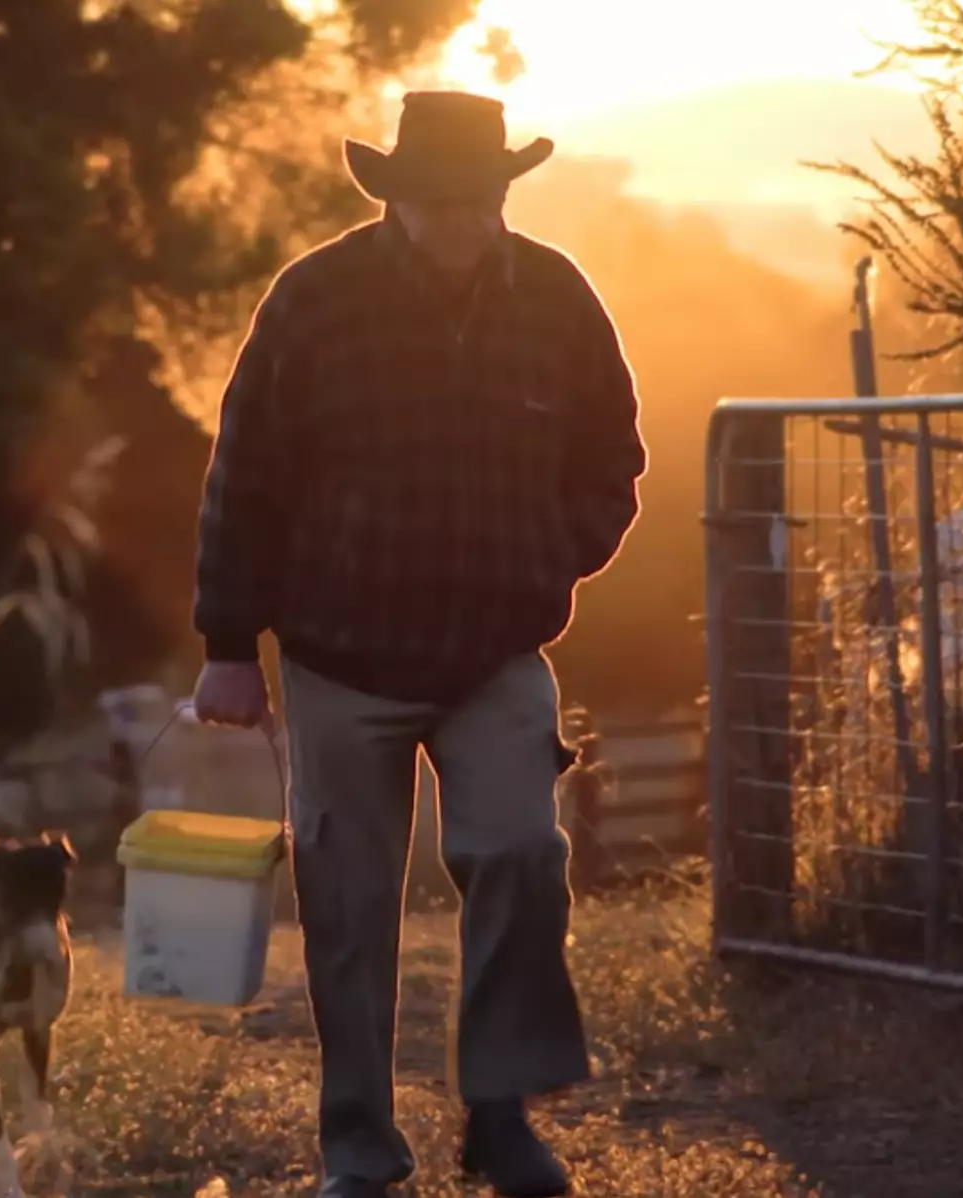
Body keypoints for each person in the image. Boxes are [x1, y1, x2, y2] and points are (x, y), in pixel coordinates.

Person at [191, 89, 647, 1198]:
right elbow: (244, 474)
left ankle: (499, 1113)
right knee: (348, 905)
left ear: (502, 194)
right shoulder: (315, 301)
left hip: (495, 650)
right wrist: (226, 642)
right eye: (440, 201)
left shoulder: (555, 295)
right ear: (395, 199)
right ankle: (359, 1145)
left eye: (479, 199)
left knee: (524, 855)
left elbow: (613, 458)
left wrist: (552, 559)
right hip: (339, 650)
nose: (462, 220)